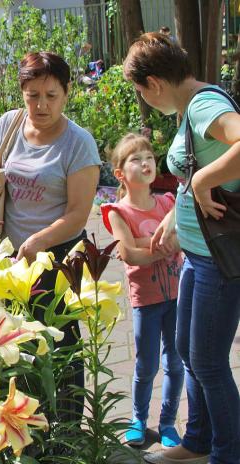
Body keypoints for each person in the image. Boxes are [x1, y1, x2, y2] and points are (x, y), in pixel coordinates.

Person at [0, 51, 101, 423]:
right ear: (21, 93)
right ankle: (21, 429)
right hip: (9, 262)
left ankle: (68, 436)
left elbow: (77, 214)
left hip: (55, 262)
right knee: (12, 349)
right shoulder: (9, 124)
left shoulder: (79, 144)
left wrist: (40, 241)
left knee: (60, 349)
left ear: (67, 92)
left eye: (51, 95)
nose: (41, 105)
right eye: (32, 96)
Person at [124, 32, 240, 464]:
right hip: (197, 255)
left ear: (153, 83)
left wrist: (203, 181)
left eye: (140, 91)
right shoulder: (190, 107)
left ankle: (228, 453)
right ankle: (198, 442)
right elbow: (196, 165)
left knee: (208, 362)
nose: (144, 99)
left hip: (218, 261)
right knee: (192, 355)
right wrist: (177, 212)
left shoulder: (205, 106)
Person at [101, 133, 184, 449]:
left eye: (148, 157)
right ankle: (138, 419)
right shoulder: (118, 212)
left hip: (176, 296)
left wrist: (143, 245)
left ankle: (167, 422)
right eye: (136, 159)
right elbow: (130, 254)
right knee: (147, 365)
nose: (145, 162)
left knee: (176, 363)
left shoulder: (168, 202)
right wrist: (162, 247)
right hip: (145, 302)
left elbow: (180, 239)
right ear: (120, 173)